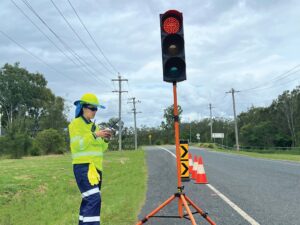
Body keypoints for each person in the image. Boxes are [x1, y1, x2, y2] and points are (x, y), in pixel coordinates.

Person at [68, 93, 111, 225]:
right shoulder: (75, 124)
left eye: (96, 109)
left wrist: (105, 139)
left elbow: (101, 149)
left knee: (88, 200)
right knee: (94, 199)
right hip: (83, 168)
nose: (95, 112)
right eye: (93, 108)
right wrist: (94, 135)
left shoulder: (95, 127)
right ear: (84, 108)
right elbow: (77, 145)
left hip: (96, 170)